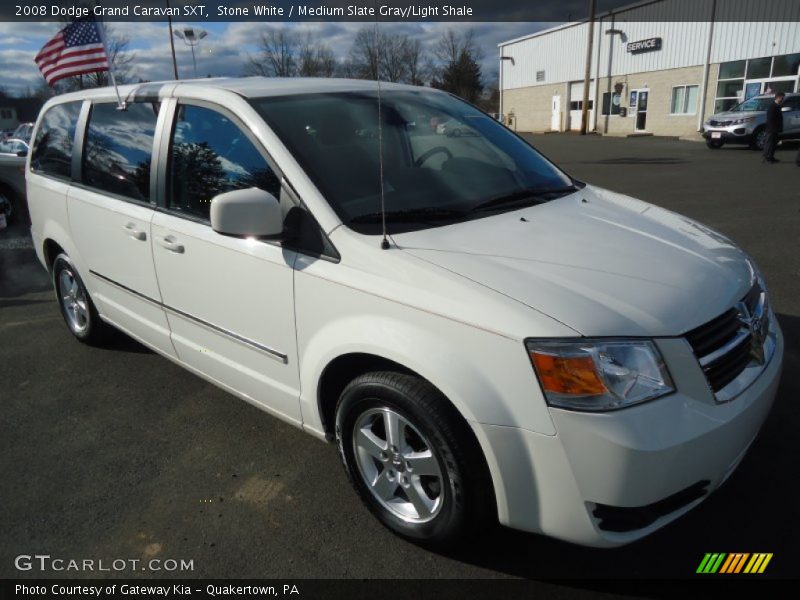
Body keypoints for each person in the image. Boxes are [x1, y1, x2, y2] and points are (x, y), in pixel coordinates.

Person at [762, 92, 784, 163]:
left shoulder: (778, 105)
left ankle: (771, 157)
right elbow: (770, 119)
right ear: (778, 97)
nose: (782, 99)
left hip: (775, 128)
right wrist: (772, 129)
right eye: (782, 98)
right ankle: (766, 158)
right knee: (769, 143)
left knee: (774, 143)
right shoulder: (773, 106)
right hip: (771, 129)